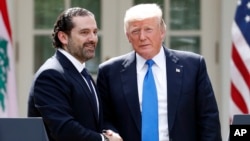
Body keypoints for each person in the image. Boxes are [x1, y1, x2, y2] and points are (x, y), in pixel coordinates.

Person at [96, 3, 222, 141]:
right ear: (128, 36)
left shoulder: (192, 66)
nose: (142, 37)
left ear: (162, 32)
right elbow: (103, 119)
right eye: (135, 31)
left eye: (148, 29)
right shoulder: (109, 72)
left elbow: (208, 119)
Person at [28, 7, 122, 141]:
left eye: (95, 32)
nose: (93, 39)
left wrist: (108, 133)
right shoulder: (50, 74)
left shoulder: (82, 72)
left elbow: (92, 121)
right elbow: (64, 129)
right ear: (63, 37)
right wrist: (103, 140)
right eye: (84, 32)